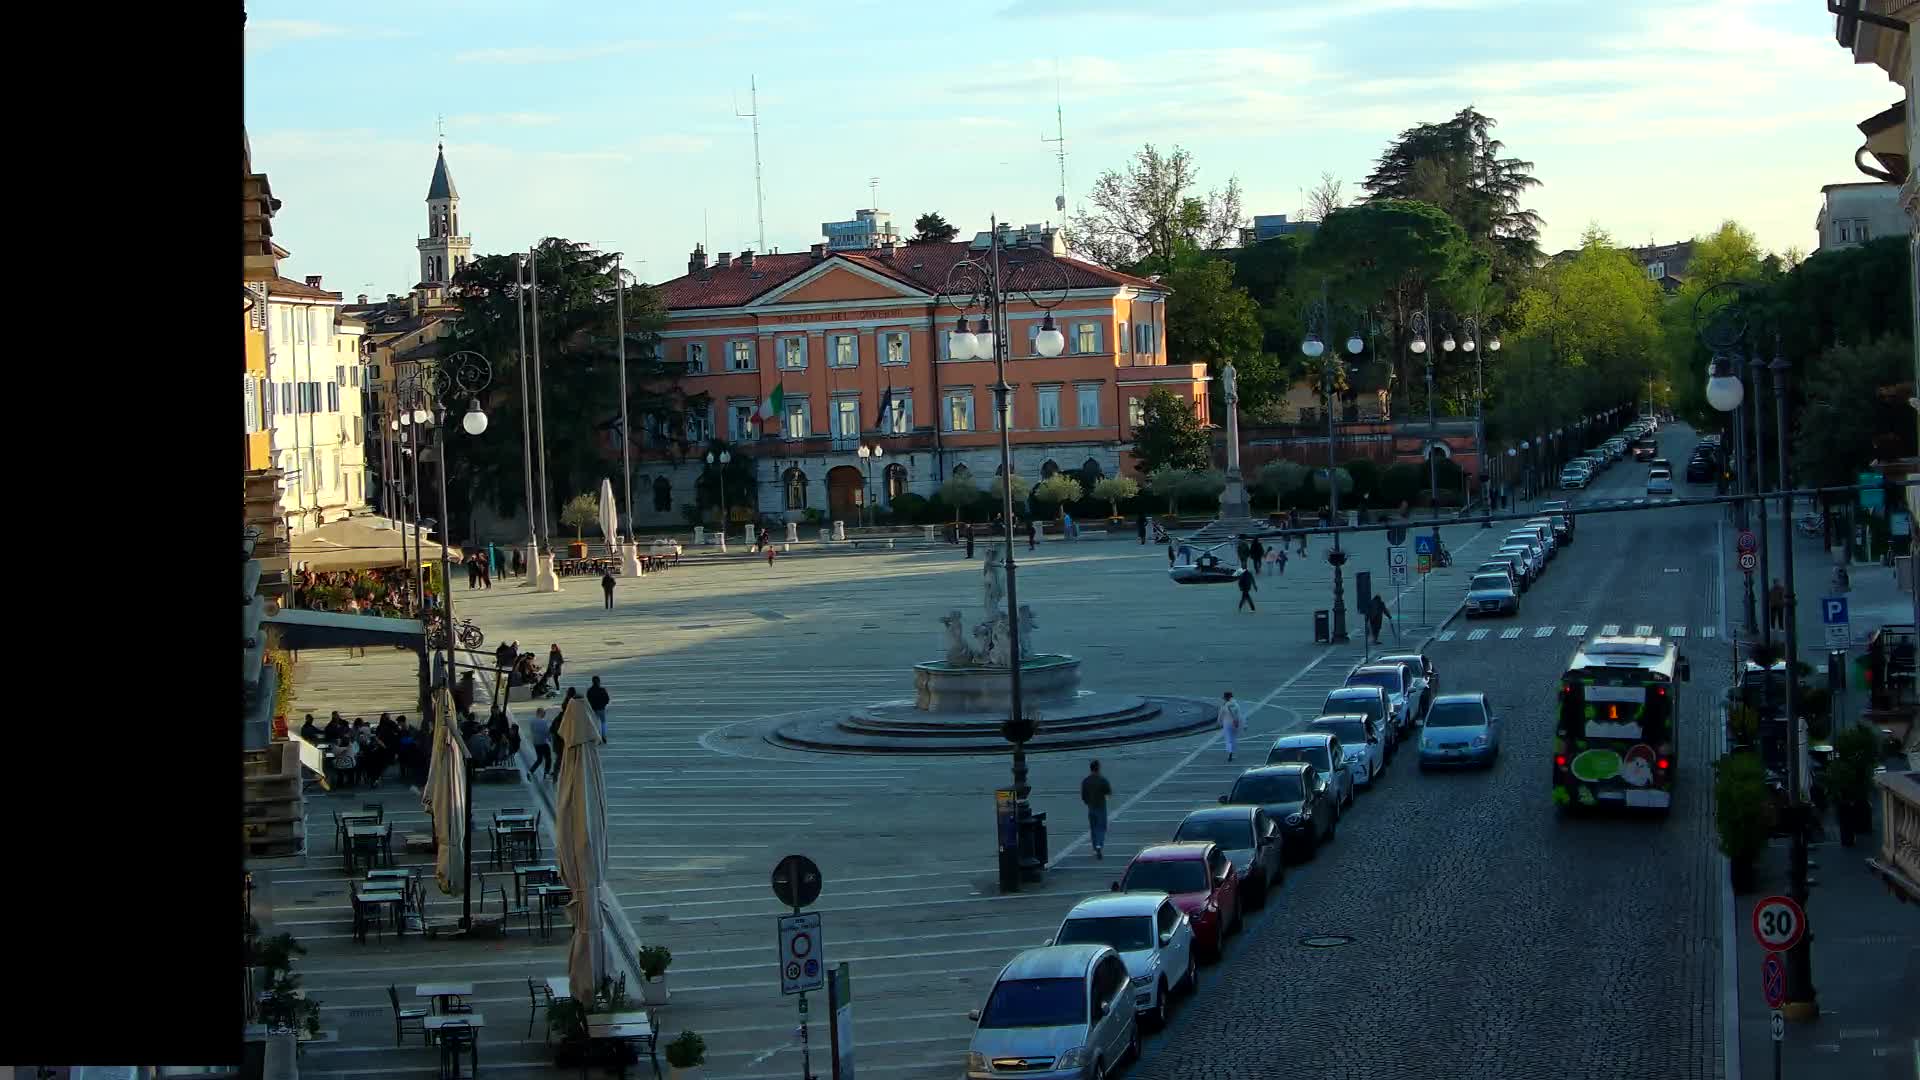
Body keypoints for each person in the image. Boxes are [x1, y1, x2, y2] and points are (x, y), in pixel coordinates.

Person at [1080, 759, 1113, 860]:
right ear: (1098, 768)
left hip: (1091, 807)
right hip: (1101, 807)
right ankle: (1099, 845)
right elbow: (1108, 792)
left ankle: (1095, 847)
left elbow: (1083, 795)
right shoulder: (1102, 780)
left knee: (1093, 828)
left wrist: (1087, 802)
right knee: (1101, 828)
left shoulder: (1086, 781)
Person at [1218, 691, 1244, 762]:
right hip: (1235, 723)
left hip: (1227, 723)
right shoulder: (1236, 705)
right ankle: (1232, 752)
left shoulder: (1224, 705)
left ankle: (1230, 753)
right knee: (1234, 738)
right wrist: (1241, 723)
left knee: (1228, 738)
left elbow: (1220, 715)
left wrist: (1219, 723)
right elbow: (1239, 715)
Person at [529, 707, 554, 780]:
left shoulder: (532, 721)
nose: (544, 714)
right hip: (543, 743)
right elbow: (546, 732)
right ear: (539, 713)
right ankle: (546, 773)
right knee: (548, 759)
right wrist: (549, 739)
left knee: (539, 759)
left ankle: (531, 771)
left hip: (536, 743)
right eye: (543, 713)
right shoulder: (543, 722)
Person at [587, 676, 611, 742]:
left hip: (593, 709)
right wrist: (604, 704)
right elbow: (607, 699)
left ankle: (597, 737)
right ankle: (604, 736)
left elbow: (588, 700)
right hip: (601, 708)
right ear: (599, 682)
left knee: (595, 723)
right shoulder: (602, 690)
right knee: (603, 722)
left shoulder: (590, 690)